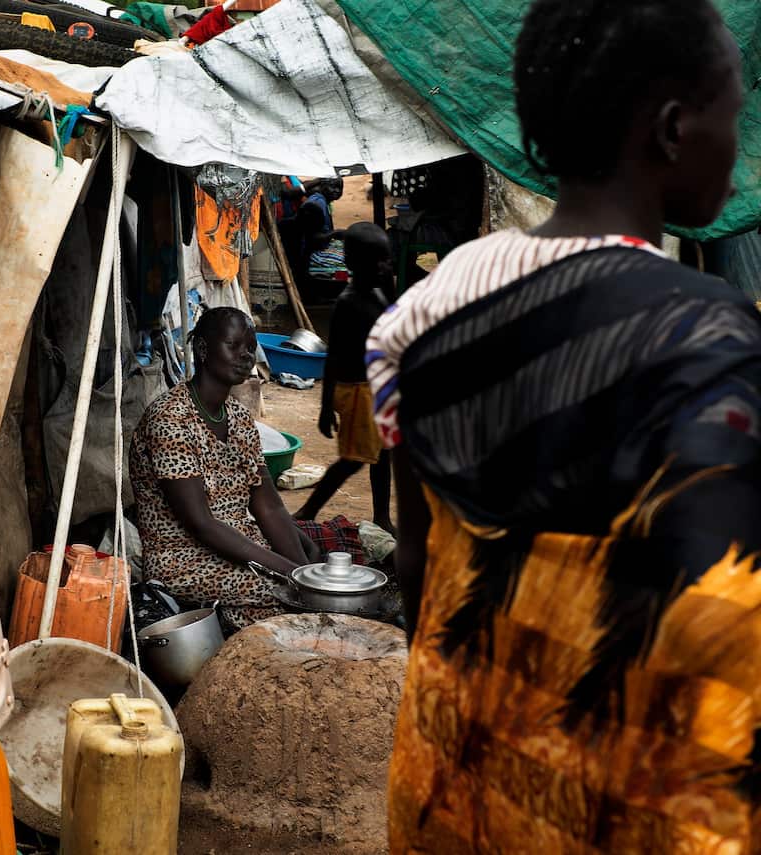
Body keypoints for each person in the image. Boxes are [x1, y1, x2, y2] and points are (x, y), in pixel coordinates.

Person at [367, 1, 760, 850]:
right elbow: (721, 638)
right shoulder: (709, 340)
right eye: (737, 109)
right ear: (670, 128)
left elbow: (415, 557)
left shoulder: (428, 309)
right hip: (622, 811)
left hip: (453, 787)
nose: (742, 140)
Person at [130, 307, 319, 632]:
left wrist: (308, 574)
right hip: (181, 558)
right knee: (283, 599)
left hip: (238, 545)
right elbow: (200, 523)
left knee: (312, 582)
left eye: (250, 346)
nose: (246, 355)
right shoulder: (170, 419)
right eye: (234, 346)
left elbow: (268, 505)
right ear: (203, 350)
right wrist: (290, 575)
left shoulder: (240, 418)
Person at [294, 222, 394, 530]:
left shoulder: (381, 290)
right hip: (356, 391)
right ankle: (307, 511)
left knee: (383, 455)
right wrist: (326, 408)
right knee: (353, 459)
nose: (384, 265)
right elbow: (333, 357)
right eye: (377, 259)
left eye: (386, 258)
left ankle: (381, 517)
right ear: (352, 264)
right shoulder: (347, 304)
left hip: (378, 388)